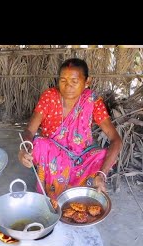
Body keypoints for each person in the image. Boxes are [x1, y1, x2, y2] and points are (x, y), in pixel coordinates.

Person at [18, 58, 122, 200]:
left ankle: (86, 184)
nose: (68, 87)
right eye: (63, 81)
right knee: (40, 144)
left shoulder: (92, 101)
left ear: (87, 82)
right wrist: (25, 148)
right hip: (53, 157)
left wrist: (102, 173)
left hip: (81, 158)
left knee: (102, 155)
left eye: (74, 81)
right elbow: (29, 131)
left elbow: (116, 140)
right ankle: (55, 192)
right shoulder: (49, 97)